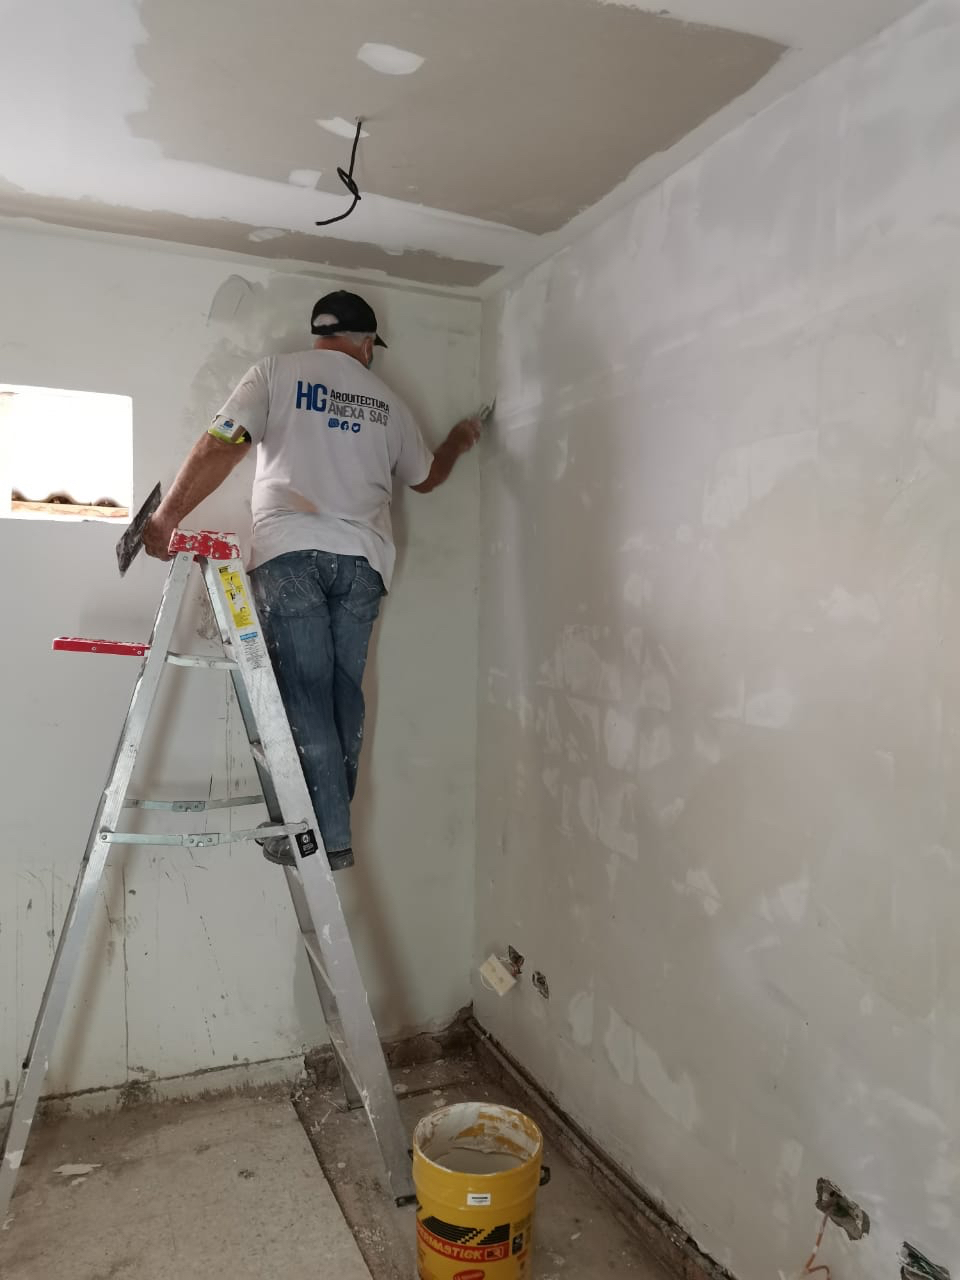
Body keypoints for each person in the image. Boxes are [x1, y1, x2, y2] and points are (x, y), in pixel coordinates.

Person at [143, 290, 481, 870]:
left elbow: (223, 443)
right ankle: (331, 836)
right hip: (364, 566)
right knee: (341, 695)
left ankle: (320, 840)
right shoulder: (387, 402)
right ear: (367, 344)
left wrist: (165, 518)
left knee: (303, 694)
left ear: (320, 333)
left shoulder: (276, 373)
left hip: (290, 555)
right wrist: (458, 439)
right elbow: (426, 478)